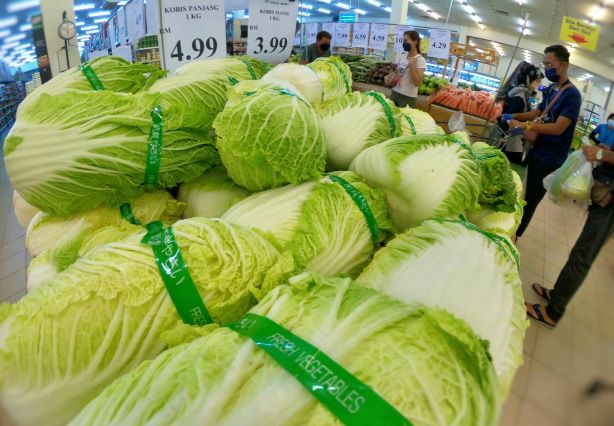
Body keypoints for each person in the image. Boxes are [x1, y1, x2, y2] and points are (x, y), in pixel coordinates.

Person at [526, 143, 614, 328]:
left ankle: (553, 312)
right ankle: (555, 295)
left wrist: (601, 154)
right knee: (579, 252)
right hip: (606, 192)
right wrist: (607, 151)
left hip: (610, 205)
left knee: (582, 256)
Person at [504, 45, 582, 239]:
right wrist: (513, 115)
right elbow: (537, 113)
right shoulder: (551, 89)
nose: (547, 69)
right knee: (523, 193)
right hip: (536, 149)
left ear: (563, 65)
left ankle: (515, 237)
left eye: (550, 65)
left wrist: (525, 126)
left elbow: (558, 128)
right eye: (544, 64)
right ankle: (510, 229)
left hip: (550, 158)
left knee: (530, 200)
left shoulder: (572, 95)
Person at [496, 61, 544, 164]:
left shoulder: (524, 93)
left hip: (512, 137)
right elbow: (510, 121)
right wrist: (527, 127)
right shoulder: (519, 96)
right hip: (511, 140)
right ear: (528, 79)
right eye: (537, 81)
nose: (539, 84)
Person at [390, 30, 426, 109]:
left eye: (406, 40)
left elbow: (417, 83)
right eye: (403, 40)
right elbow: (398, 74)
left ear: (415, 42)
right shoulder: (402, 56)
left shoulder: (420, 60)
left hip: (408, 97)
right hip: (395, 93)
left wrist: (412, 66)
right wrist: (390, 79)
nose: (404, 43)